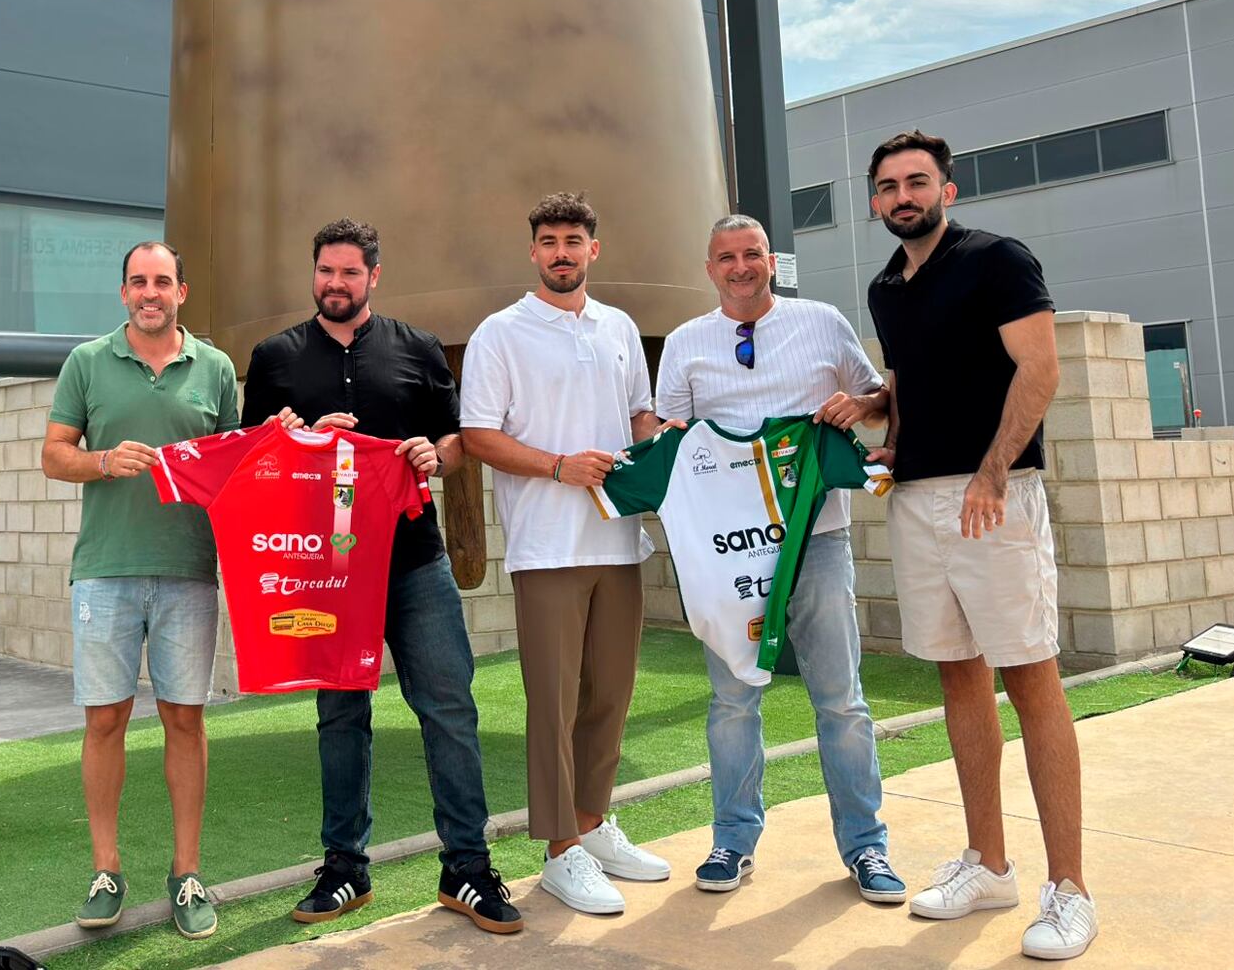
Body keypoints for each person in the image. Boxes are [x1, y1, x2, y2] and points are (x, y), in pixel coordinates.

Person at [243, 217, 522, 935]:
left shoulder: (418, 348)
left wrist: (438, 454)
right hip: (327, 573)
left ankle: (466, 866)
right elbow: (254, 461)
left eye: (349, 272)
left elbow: (458, 440)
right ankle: (345, 869)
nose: (336, 284)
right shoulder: (273, 357)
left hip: (414, 559)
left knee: (449, 709)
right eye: (325, 272)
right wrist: (292, 438)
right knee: (341, 717)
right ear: (314, 275)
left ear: (374, 276)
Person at [863, 130, 1094, 960]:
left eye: (916, 182)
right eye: (887, 186)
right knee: (959, 677)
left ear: (947, 190)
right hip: (917, 500)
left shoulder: (999, 258)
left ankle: (1069, 890)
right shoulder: (886, 286)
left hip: (994, 498)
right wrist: (876, 416)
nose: (902, 197)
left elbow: (1039, 369)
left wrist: (994, 473)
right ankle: (988, 864)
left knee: (1032, 680)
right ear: (875, 201)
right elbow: (910, 385)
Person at [655, 214, 905, 901]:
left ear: (772, 260)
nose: (741, 267)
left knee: (842, 701)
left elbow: (881, 402)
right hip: (729, 554)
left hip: (817, 539)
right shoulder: (685, 343)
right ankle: (732, 841)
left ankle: (866, 847)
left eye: (753, 254)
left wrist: (860, 405)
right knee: (733, 700)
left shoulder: (822, 322)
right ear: (710, 267)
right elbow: (665, 430)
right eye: (727, 257)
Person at [460, 192, 675, 916]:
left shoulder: (618, 326)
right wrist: (558, 467)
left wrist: (662, 434)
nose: (561, 251)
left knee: (610, 695)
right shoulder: (501, 333)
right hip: (546, 547)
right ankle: (559, 852)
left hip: (619, 539)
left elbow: (637, 415)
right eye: (549, 240)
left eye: (573, 240)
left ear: (594, 249)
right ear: (533, 253)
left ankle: (592, 824)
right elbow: (481, 435)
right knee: (553, 703)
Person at [42, 240, 239, 941]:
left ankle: (187, 872)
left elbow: (232, 466)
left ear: (182, 290)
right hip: (105, 572)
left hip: (189, 571)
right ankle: (106, 870)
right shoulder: (87, 362)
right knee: (105, 722)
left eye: (162, 281)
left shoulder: (214, 368)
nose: (149, 292)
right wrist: (101, 460)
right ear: (123, 293)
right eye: (137, 282)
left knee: (186, 721)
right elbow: (52, 453)